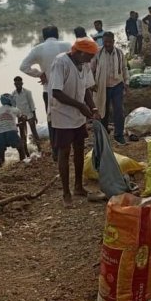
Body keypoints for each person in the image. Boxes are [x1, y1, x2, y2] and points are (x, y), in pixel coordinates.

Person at [49, 38, 104, 207]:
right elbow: (56, 92)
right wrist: (80, 106)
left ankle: (78, 187)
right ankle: (66, 193)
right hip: (63, 115)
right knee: (64, 153)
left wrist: (93, 108)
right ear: (79, 52)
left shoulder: (84, 64)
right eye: (89, 56)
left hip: (78, 116)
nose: (91, 60)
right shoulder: (61, 62)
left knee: (79, 149)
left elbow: (86, 88)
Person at [19, 25, 70, 160]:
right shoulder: (67, 45)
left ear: (43, 36)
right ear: (57, 34)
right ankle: (69, 145)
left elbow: (23, 66)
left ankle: (55, 150)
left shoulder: (38, 49)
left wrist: (40, 74)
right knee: (68, 116)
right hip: (67, 88)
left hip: (49, 90)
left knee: (51, 119)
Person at [91, 32, 129, 145]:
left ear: (113, 41)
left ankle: (119, 135)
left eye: (109, 42)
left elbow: (124, 68)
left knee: (119, 110)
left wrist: (126, 82)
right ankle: (103, 135)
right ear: (103, 41)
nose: (107, 44)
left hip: (117, 85)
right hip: (102, 87)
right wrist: (92, 84)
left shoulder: (119, 53)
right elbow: (91, 69)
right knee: (103, 111)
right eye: (105, 42)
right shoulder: (97, 53)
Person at [0, 93, 27, 166]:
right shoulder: (15, 110)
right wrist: (24, 119)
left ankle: (1, 168)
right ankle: (23, 164)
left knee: (0, 155)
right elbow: (22, 119)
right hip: (11, 133)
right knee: (21, 148)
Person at [12, 76, 39, 154]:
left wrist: (35, 116)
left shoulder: (27, 92)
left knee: (34, 131)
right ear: (14, 84)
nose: (18, 85)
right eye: (16, 84)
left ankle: (39, 147)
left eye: (19, 83)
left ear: (22, 83)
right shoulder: (13, 94)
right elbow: (13, 107)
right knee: (23, 134)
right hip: (20, 116)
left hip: (29, 114)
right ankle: (26, 152)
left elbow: (31, 104)